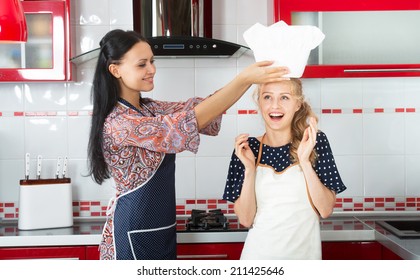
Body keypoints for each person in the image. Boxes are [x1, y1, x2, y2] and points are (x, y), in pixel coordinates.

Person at [87, 29, 290, 260]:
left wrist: (246, 81)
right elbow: (186, 124)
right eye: (142, 64)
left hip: (161, 228)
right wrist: (244, 79)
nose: (152, 69)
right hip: (133, 230)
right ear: (115, 70)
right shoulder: (119, 123)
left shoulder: (149, 110)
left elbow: (201, 109)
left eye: (152, 61)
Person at [222, 78, 347, 260]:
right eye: (267, 97)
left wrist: (304, 161)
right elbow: (246, 219)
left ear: (298, 103)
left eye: (285, 98)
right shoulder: (247, 149)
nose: (275, 105)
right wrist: (250, 170)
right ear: (259, 103)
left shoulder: (314, 142)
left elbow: (325, 209)